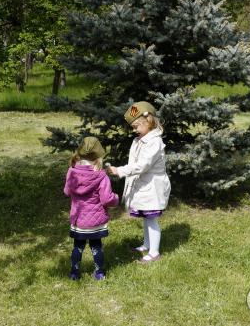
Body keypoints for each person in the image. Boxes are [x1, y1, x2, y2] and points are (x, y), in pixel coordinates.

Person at [107, 101, 171, 263]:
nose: (134, 130)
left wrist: (120, 171)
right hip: (144, 186)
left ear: (148, 121)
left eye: (136, 126)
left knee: (152, 219)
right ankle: (146, 245)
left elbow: (142, 165)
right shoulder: (140, 139)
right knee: (146, 217)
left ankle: (154, 253)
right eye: (133, 127)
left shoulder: (154, 142)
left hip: (152, 187)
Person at [64, 137, 119, 281]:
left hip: (79, 220)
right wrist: (116, 199)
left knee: (78, 247)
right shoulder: (101, 176)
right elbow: (107, 199)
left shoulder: (72, 172)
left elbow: (67, 192)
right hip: (96, 221)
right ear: (99, 156)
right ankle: (99, 273)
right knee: (96, 246)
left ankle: (74, 273)